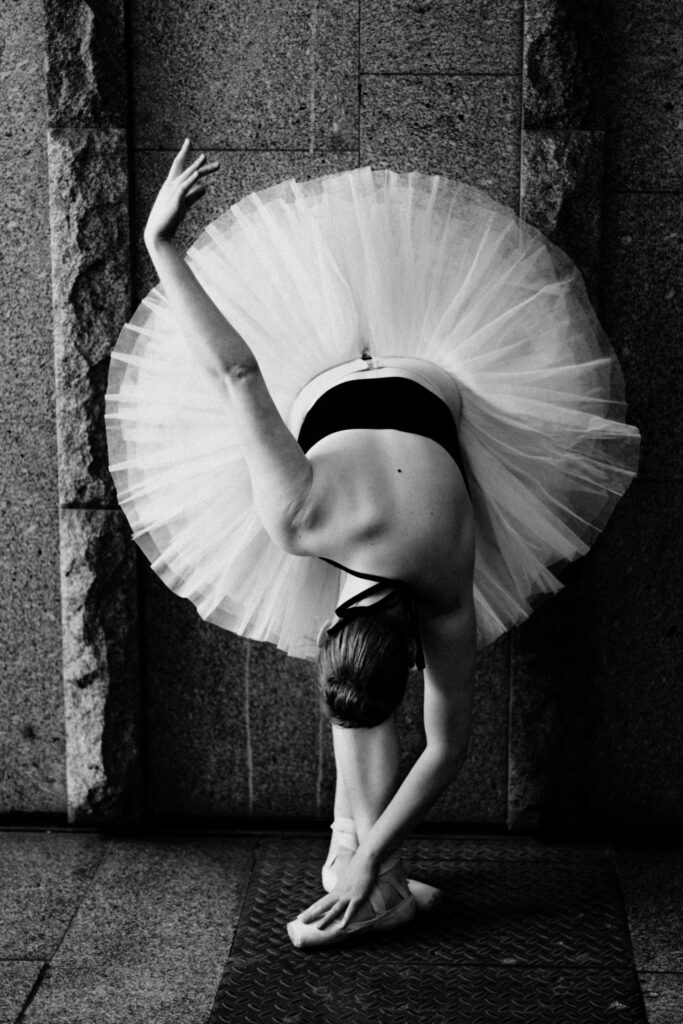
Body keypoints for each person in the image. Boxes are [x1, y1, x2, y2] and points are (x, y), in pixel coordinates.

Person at [105, 141, 640, 948]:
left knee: (359, 702)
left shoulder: (422, 573)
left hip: (397, 368)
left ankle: (363, 868)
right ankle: (366, 872)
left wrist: (367, 857)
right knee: (358, 695)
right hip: (415, 360)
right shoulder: (306, 521)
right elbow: (237, 375)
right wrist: (161, 245)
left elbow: (446, 749)